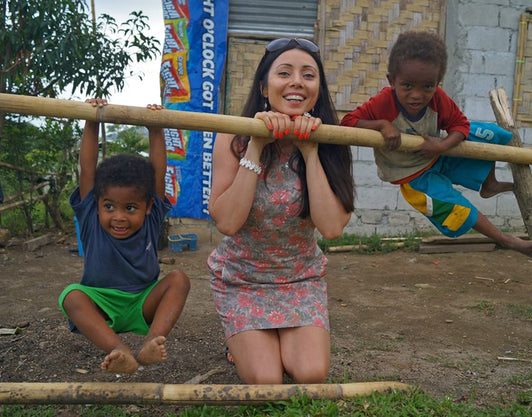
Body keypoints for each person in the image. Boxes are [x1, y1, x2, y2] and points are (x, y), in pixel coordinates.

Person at [207, 38, 355, 384]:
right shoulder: (234, 137)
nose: (297, 82)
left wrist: (310, 152)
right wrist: (257, 145)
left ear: (318, 89)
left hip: (300, 279)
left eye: (308, 75)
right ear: (264, 86)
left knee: (311, 373)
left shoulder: (333, 141)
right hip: (242, 279)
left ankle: (271, 342)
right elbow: (228, 222)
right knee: (265, 381)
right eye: (284, 73)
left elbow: (332, 228)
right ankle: (243, 340)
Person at [340, 31, 532, 258]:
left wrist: (441, 146)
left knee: (492, 134)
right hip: (413, 176)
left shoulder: (438, 98)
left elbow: (460, 126)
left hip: (438, 155)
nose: (417, 95)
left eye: (427, 86)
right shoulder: (383, 103)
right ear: (392, 81)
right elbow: (347, 123)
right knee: (459, 210)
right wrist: (381, 124)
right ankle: (508, 240)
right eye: (407, 86)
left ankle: (490, 184)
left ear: (437, 83)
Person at [58, 99, 190, 374]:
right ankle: (119, 349)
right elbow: (87, 167)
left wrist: (155, 127)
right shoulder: (91, 217)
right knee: (71, 296)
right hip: (101, 305)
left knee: (179, 280)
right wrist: (91, 119)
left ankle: (152, 342)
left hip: (143, 302)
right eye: (109, 206)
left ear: (148, 205)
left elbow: (158, 171)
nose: (118, 216)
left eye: (130, 208)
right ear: (97, 204)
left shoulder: (152, 218)